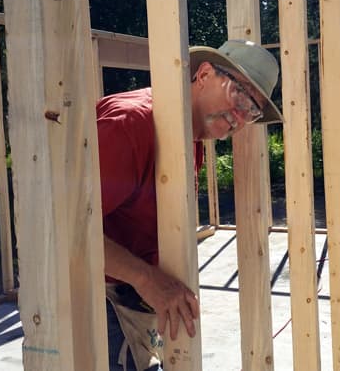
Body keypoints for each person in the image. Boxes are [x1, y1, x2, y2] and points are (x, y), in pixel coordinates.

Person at [97, 40, 283, 371]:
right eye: (240, 95)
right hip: (96, 296)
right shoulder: (131, 125)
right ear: (205, 73)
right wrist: (146, 279)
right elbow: (65, 231)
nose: (240, 117)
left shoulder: (187, 136)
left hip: (133, 296)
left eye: (252, 111)